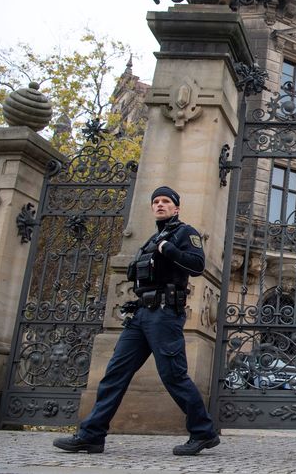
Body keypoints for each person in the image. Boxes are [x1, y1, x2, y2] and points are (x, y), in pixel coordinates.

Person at [53, 186, 219, 456]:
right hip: (142, 315)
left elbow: (197, 265)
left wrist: (169, 250)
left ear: (176, 208)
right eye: (156, 201)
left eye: (166, 201)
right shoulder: (151, 239)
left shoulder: (184, 233)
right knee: (115, 373)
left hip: (165, 314)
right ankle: (92, 435)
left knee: (173, 375)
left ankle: (203, 432)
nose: (160, 205)